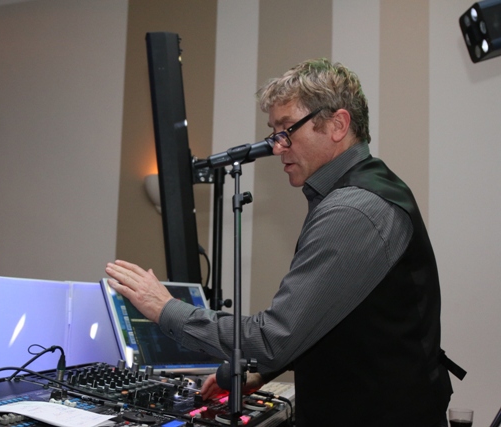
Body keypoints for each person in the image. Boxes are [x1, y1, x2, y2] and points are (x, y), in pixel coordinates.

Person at [105, 58, 458, 426]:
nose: (277, 147)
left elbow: (273, 337)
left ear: (337, 125)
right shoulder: (365, 189)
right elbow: (332, 320)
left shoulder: (352, 210)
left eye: (287, 129)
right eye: (274, 132)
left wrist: (165, 308)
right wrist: (260, 373)